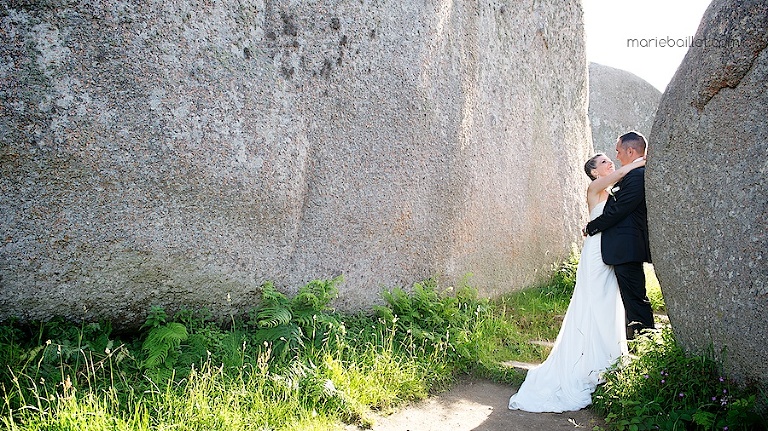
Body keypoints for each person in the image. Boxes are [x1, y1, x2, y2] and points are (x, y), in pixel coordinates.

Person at [508, 153, 645, 413]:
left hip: (609, 250)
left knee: (608, 302)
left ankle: (607, 358)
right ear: (594, 172)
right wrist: (639, 161)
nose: (609, 164)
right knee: (593, 301)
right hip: (595, 252)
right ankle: (590, 361)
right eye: (603, 162)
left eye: (609, 160)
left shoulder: (613, 192)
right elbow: (619, 175)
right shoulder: (594, 188)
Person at [583, 131, 654, 340]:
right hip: (608, 247)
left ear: (630, 150)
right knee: (608, 293)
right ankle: (617, 337)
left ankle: (643, 338)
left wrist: (591, 227)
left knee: (632, 296)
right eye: (604, 161)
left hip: (624, 246)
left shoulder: (635, 176)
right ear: (594, 172)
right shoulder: (606, 183)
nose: (615, 158)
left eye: (617, 152)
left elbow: (619, 210)